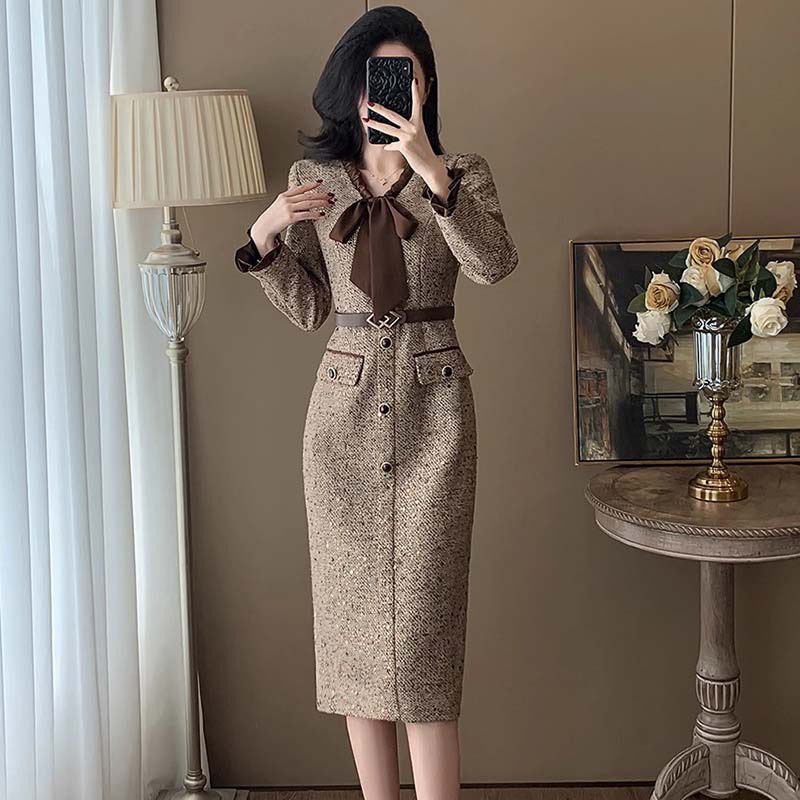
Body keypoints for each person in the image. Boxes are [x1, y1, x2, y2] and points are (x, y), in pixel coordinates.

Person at [234, 6, 518, 800]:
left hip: (436, 417)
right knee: (353, 640)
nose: (386, 93)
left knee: (425, 643)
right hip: (342, 421)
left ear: (425, 89)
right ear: (349, 88)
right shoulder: (315, 183)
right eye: (374, 79)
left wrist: (430, 170)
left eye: (405, 78)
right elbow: (309, 309)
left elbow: (494, 264)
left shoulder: (462, 172)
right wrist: (264, 234)